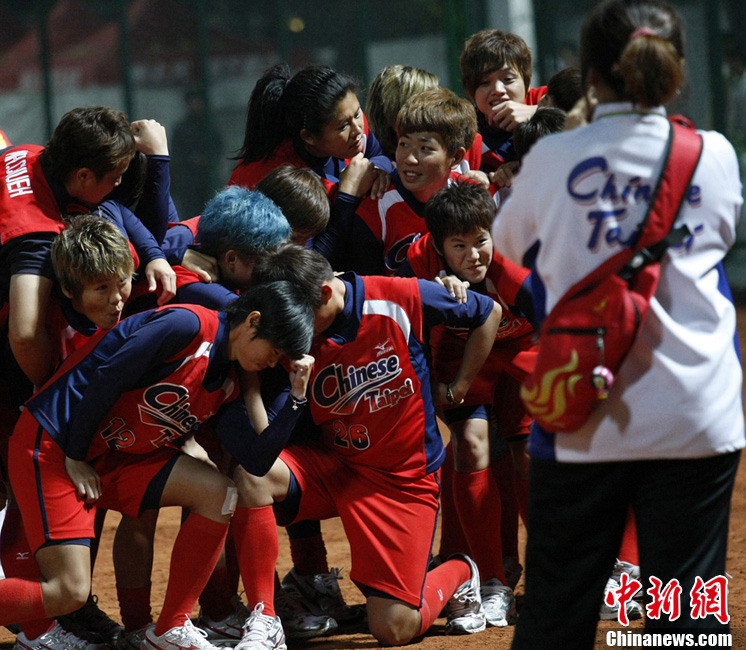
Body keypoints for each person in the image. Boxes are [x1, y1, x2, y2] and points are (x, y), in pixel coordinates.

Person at [490, 1, 744, 646]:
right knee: (685, 618)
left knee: (556, 615)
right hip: (695, 409)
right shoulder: (712, 152)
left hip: (585, 408)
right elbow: (720, 236)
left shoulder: (555, 156)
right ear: (674, 69)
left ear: (592, 76)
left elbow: (510, 247)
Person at [0, 280, 315, 650]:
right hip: (56, 443)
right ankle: (37, 631)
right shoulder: (186, 325)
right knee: (68, 592)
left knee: (220, 492)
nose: (273, 362)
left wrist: (296, 398)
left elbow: (256, 461)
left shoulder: (227, 380)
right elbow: (107, 375)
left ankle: (171, 627)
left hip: (112, 455)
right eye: (274, 351)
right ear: (253, 321)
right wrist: (76, 454)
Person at [228, 243, 502, 648]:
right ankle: (265, 618)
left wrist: (458, 387)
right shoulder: (296, 321)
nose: (294, 335)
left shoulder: (397, 296)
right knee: (252, 475)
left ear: (325, 293)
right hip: (336, 466)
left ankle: (459, 569)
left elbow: (488, 312)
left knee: (393, 627)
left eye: (302, 319)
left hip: (401, 481)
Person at [400, 180, 537, 626]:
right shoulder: (418, 264)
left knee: (529, 452)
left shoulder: (514, 270)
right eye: (459, 246)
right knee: (471, 445)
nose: (474, 255)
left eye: (481, 240)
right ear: (439, 247)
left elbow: (557, 323)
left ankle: (551, 571)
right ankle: (493, 582)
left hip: (522, 350)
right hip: (460, 356)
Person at [348, 87, 477, 275]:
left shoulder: (473, 197)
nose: (409, 159)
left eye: (425, 148)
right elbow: (367, 286)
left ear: (455, 157)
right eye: (404, 144)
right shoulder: (375, 208)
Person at [459, 29, 547, 175]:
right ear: (471, 92)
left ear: (528, 82)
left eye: (508, 79)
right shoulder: (464, 132)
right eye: (484, 82)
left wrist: (537, 113)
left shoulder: (548, 99)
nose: (498, 90)